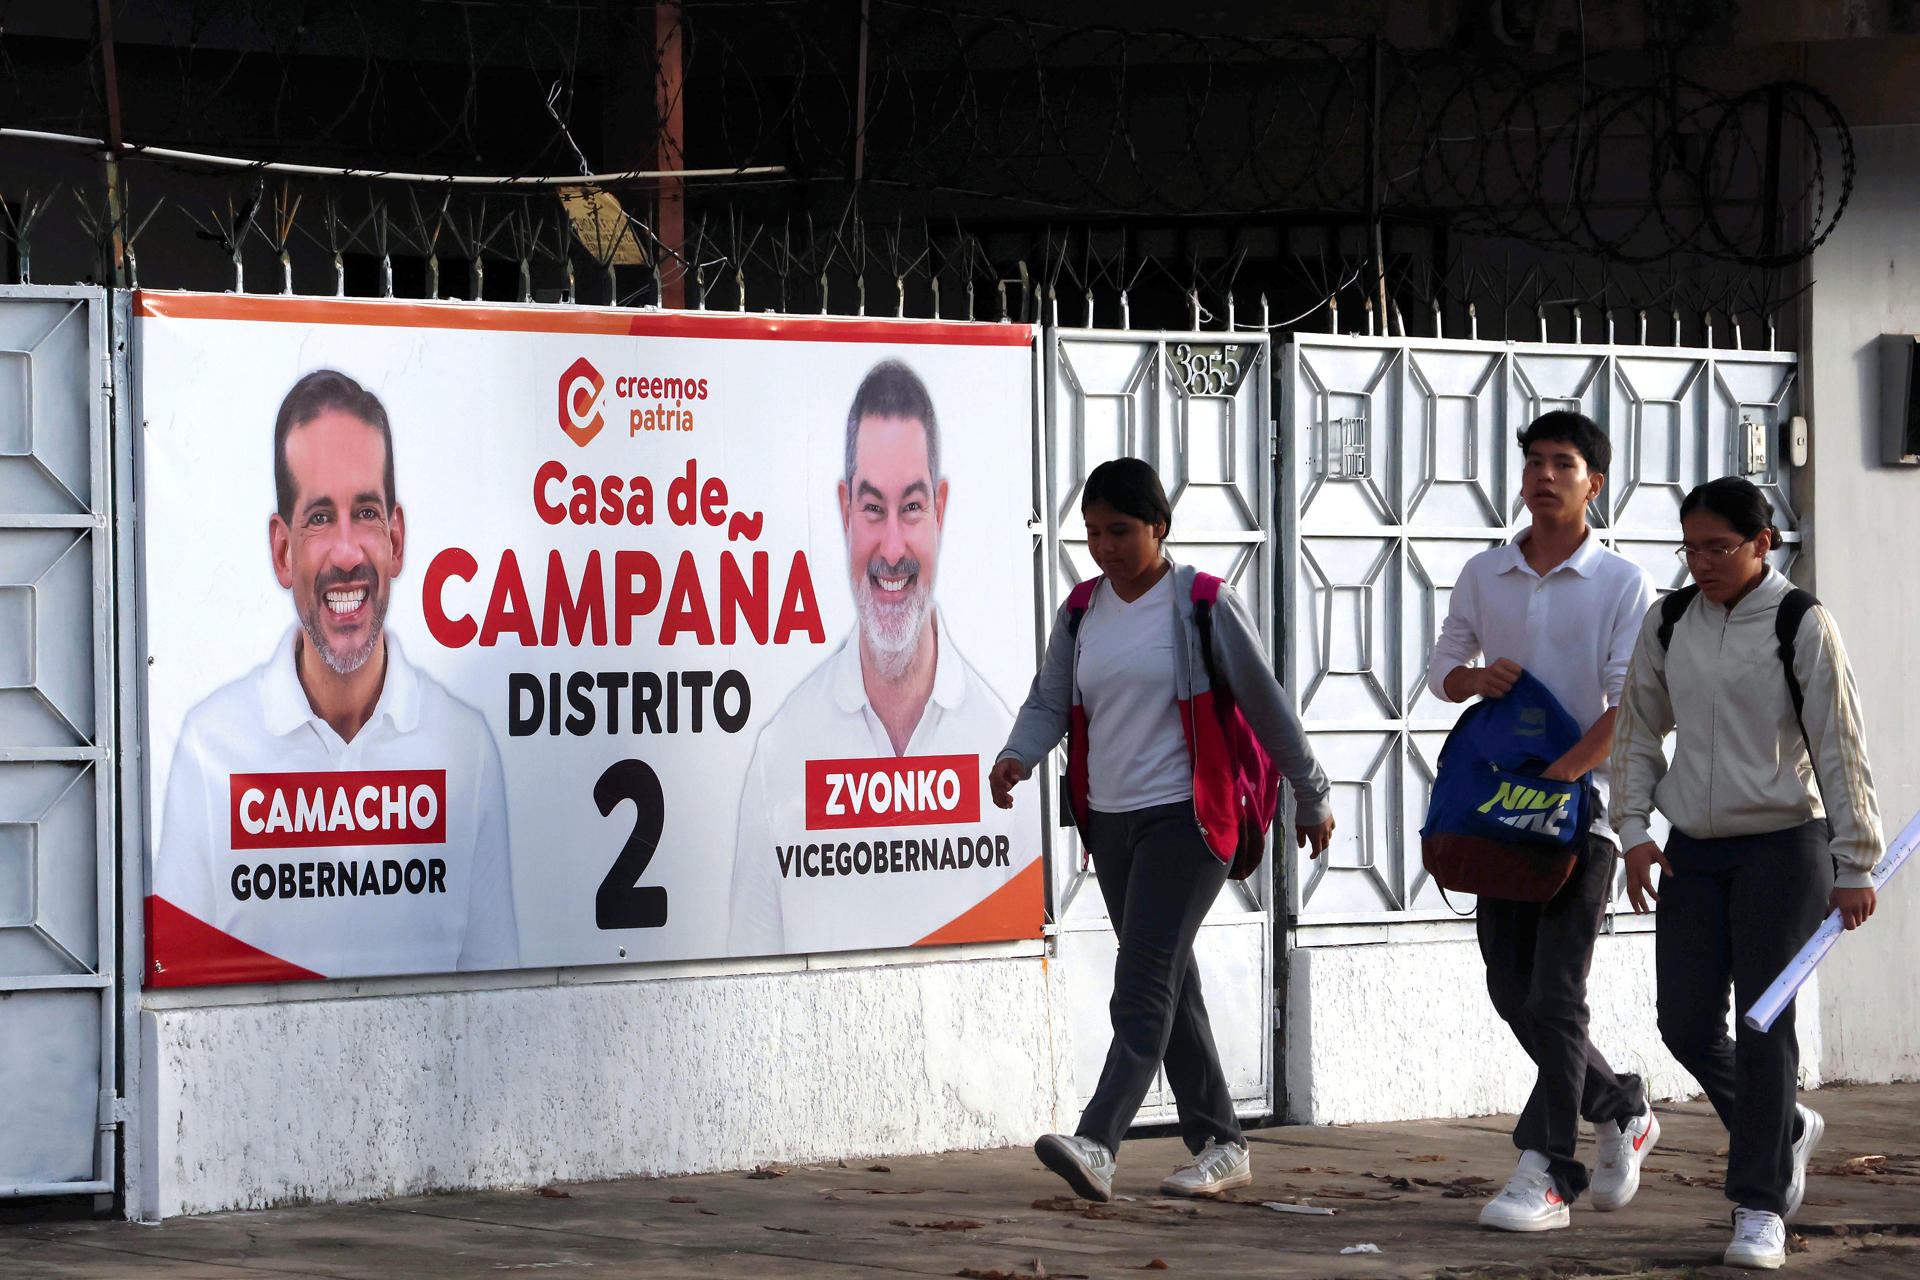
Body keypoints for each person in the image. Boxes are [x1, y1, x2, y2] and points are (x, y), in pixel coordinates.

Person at [990, 457, 1332, 1203]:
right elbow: (1050, 701)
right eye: (1093, 533)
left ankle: (1099, 1140)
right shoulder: (1080, 612)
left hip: (1190, 818)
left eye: (1120, 531)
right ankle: (1221, 1142)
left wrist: (1312, 793)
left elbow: (1268, 706)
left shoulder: (1200, 603)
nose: (1105, 548)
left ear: (1159, 528)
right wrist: (1019, 754)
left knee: (1142, 979)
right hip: (1111, 824)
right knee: (1171, 976)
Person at [151, 369, 518, 982]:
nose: (348, 553)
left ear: (395, 540)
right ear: (282, 550)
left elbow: (498, 994)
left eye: (366, 513)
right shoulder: (210, 748)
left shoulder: (467, 748)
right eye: (320, 518)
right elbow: (180, 994)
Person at [1612, 475, 1883, 1271]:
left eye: (1718, 547)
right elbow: (1635, 731)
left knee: (1766, 1025)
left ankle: (1759, 1206)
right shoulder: (1668, 621)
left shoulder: (1801, 622)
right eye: (1690, 548)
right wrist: (1633, 830)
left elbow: (1840, 743)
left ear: (1764, 542)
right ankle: (1783, 1127)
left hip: (1784, 846)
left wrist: (1855, 860)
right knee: (1686, 1022)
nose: (1701, 562)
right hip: (1695, 848)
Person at [1427, 411, 1657, 1232]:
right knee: (1510, 987)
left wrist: (1564, 777)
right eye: (1534, 461)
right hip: (1497, 815)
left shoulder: (1621, 583)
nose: (1545, 475)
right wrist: (1472, 680)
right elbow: (1440, 665)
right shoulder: (1486, 573)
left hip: (1579, 817)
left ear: (1594, 482)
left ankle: (1549, 1169)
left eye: (1564, 462)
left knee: (1557, 994)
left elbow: (1632, 702)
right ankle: (1622, 1104)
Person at [727, 359, 1025, 956]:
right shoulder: (780, 753)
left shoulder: (1005, 744)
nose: (892, 549)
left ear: (940, 510)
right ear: (843, 511)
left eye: (911, 508)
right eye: (872, 508)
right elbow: (747, 983)